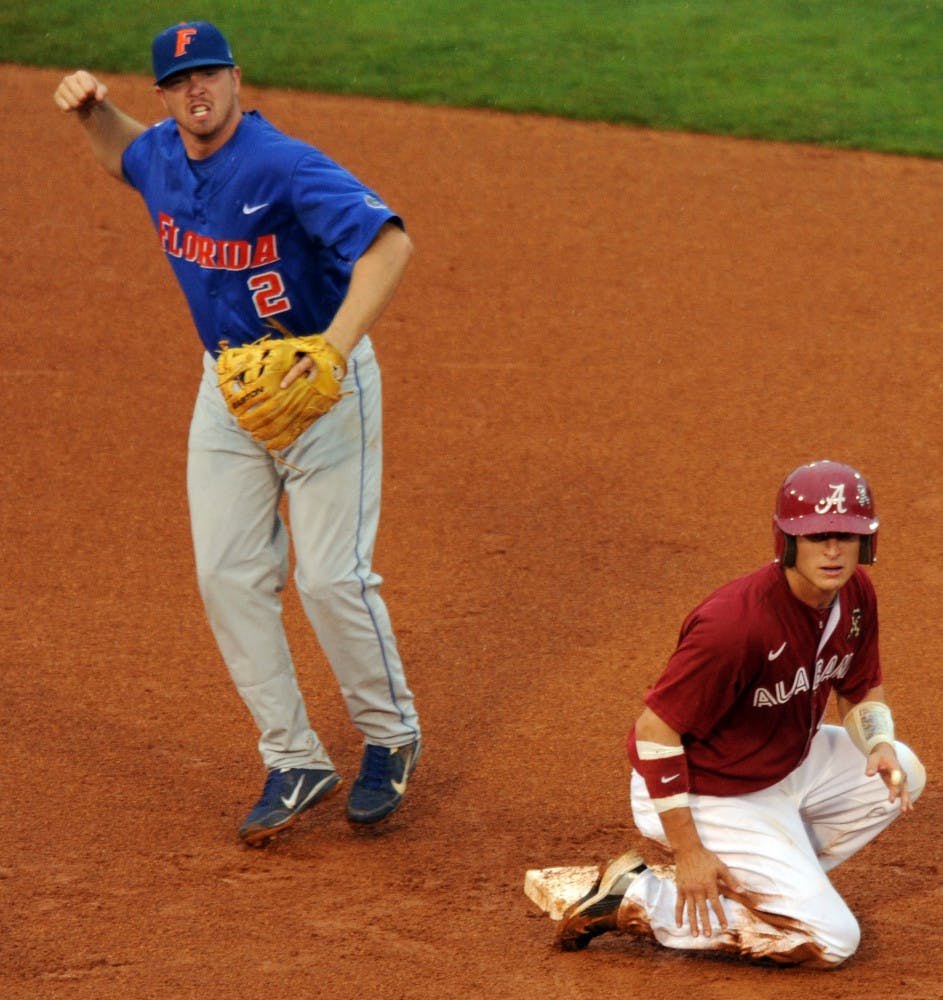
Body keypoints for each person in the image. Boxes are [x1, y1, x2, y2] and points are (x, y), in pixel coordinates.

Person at [53, 21, 421, 845]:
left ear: (234, 77)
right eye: (181, 81)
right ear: (164, 95)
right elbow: (123, 158)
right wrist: (90, 112)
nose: (197, 91)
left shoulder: (281, 164)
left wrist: (332, 350)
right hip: (227, 389)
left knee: (331, 579)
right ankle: (295, 757)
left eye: (209, 75)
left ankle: (390, 736)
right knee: (225, 574)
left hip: (321, 384)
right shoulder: (161, 153)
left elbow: (389, 245)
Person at [556, 460, 925, 967]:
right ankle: (639, 898)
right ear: (788, 542)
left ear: (867, 542)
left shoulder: (855, 594)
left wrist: (878, 744)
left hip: (782, 764)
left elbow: (861, 689)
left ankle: (758, 885)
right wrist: (688, 851)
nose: (834, 550)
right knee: (832, 941)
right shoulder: (736, 625)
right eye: (817, 536)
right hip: (707, 788)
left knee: (905, 769)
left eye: (846, 534)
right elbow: (654, 731)